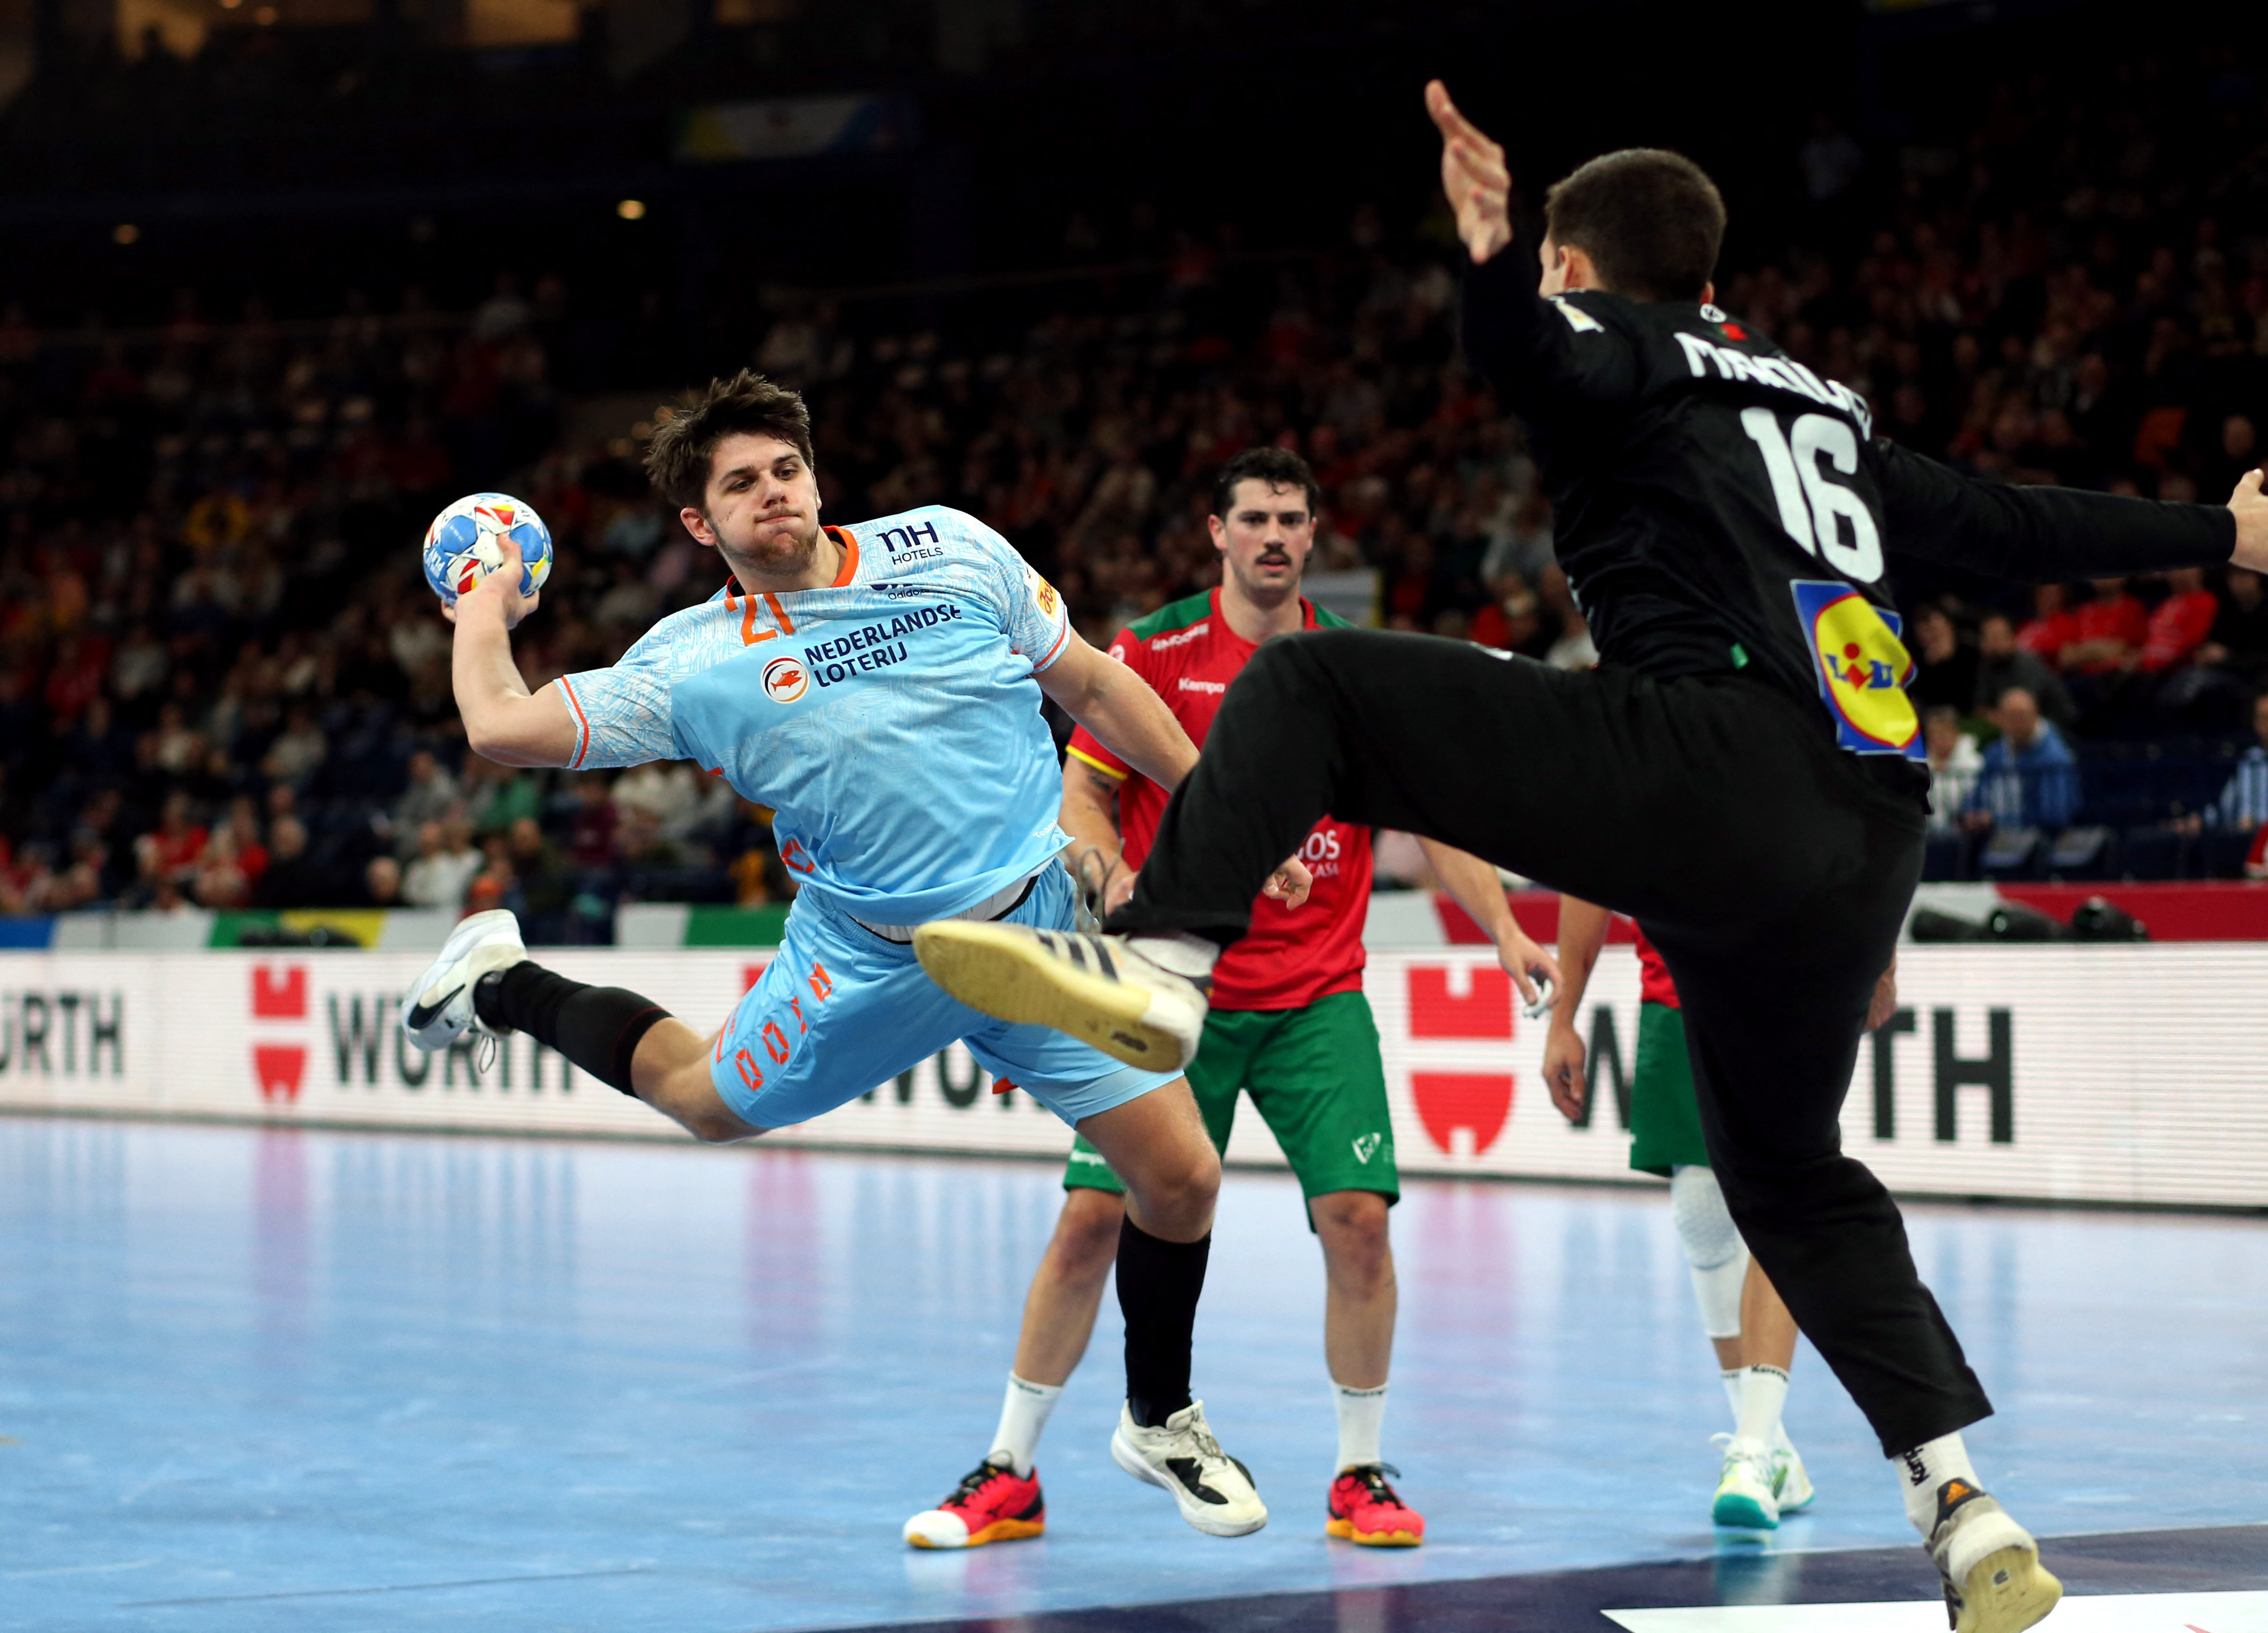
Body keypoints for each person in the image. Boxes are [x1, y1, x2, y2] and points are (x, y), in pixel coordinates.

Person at [914, 86, 2268, 1633]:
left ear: (1577, 263)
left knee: (1313, 684)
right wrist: (2215, 538)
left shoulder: (1622, 347)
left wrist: (1486, 259)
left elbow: (1522, 355)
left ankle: (1157, 972)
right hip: (1868, 827)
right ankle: (1957, 1499)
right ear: (1708, 269)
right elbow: (2005, 523)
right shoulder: (1819, 400)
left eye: (1553, 268)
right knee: (1790, 1171)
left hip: (1703, 761)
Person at [401, 369, 1317, 1538]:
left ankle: (1158, 1414)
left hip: (1033, 928)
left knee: (1181, 1178)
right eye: (741, 484)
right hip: (870, 959)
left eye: (786, 469)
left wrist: (1222, 810)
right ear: (702, 525)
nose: (773, 494)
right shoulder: (690, 663)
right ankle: (501, 979)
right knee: (703, 1099)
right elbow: (499, 726)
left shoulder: (951, 546)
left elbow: (1090, 681)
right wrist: (483, 599)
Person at [903, 448, 1554, 1552]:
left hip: (1316, 995)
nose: (1272, 536)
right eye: (1252, 517)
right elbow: (1087, 793)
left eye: (1291, 520)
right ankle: (1009, 1468)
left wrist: (1500, 922)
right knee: (1091, 1220)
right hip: (1174, 993)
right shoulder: (1153, 650)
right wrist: (1106, 873)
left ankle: (1360, 1475)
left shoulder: (1352, 664)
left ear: (1312, 535)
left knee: (1359, 1223)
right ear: (1217, 530)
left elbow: (1437, 813)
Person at [1544, 899, 1855, 1530]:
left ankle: (1754, 1448)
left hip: (1783, 985)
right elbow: (1587, 874)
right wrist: (1564, 1016)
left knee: (1776, 1207)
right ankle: (1773, 1455)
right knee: (1702, 1219)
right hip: (1675, 991)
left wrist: (1881, 960)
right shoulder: (1623, 796)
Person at [1962, 688, 2077, 835]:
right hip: (1995, 838)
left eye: (2021, 715)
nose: (2016, 722)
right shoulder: (1995, 753)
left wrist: (1996, 819)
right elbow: (1978, 793)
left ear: (2036, 715)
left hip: (2039, 841)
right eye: (2010, 716)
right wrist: (1971, 814)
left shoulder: (2055, 759)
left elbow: (2056, 815)